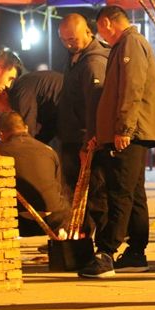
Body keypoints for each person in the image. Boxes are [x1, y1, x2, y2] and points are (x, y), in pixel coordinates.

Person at [78, 6, 155, 278]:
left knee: (120, 192)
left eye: (99, 29)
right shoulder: (126, 44)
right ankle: (136, 253)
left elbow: (132, 88)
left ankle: (106, 252)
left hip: (131, 131)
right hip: (130, 130)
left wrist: (124, 128)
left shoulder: (130, 42)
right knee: (134, 192)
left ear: (107, 22)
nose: (100, 35)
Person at [57, 13, 109, 231]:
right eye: (64, 40)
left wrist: (89, 141)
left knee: (94, 194)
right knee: (75, 194)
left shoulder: (93, 62)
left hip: (85, 139)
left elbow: (95, 104)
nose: (68, 44)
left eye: (72, 39)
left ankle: (102, 241)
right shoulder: (75, 57)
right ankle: (81, 236)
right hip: (72, 136)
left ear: (88, 32)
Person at [0, 111, 70, 237]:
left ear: (1, 134)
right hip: (54, 221)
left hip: (21, 222)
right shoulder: (49, 150)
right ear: (26, 128)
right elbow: (58, 187)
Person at [6, 70, 63, 145]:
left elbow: (27, 128)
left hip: (67, 102)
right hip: (62, 103)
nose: (4, 111)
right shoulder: (23, 84)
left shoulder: (19, 92)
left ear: (3, 94)